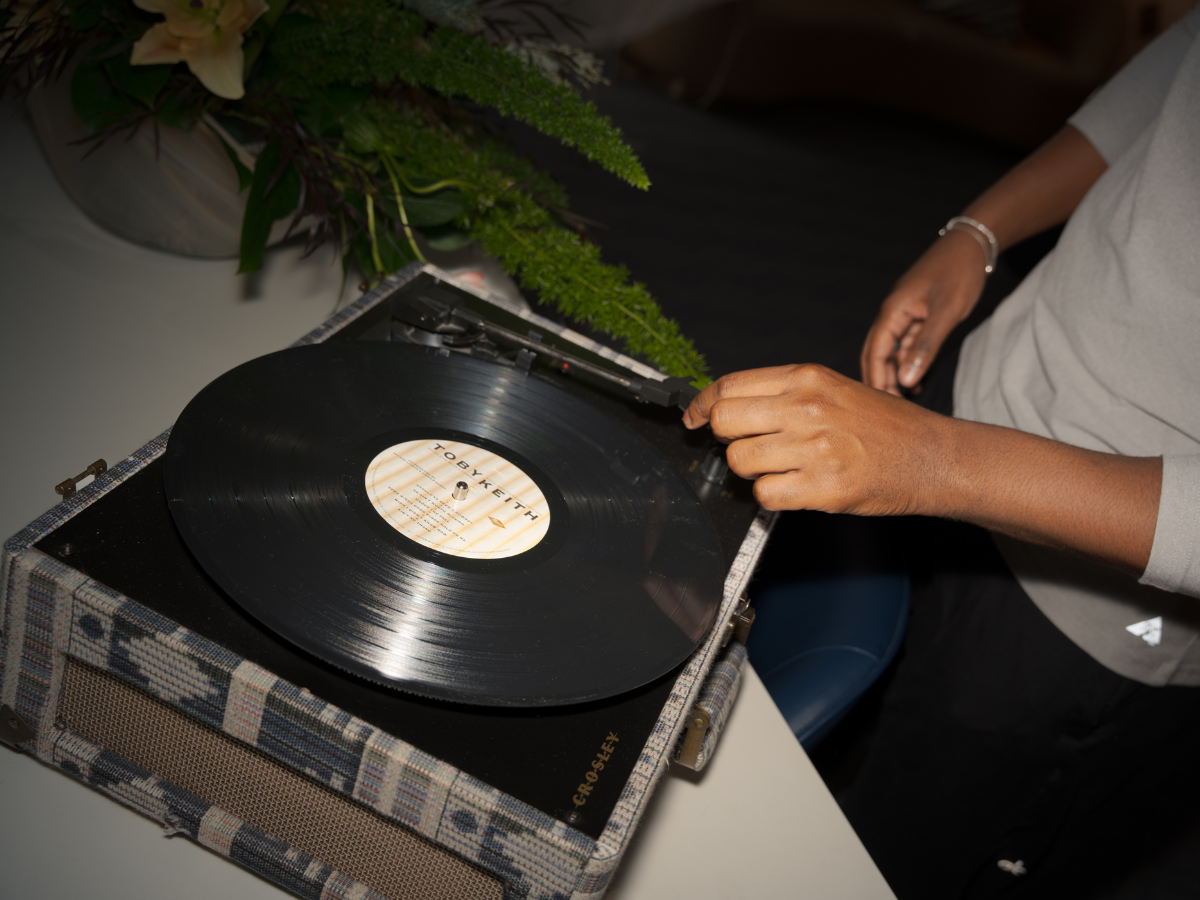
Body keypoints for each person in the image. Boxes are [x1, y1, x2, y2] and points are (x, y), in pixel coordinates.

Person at [683, 7, 1200, 898]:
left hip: (1103, 612)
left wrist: (935, 462)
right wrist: (981, 233)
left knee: (884, 860)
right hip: (983, 414)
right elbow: (1181, 71)